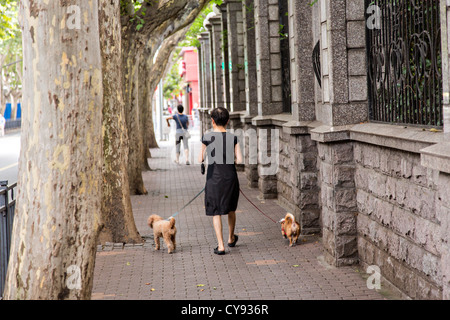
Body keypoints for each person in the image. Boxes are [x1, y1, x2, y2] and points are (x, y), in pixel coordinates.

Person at [198, 107, 243, 255]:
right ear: (228, 121)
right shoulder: (233, 138)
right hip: (230, 178)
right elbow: (240, 160)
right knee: (231, 208)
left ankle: (221, 245)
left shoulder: (207, 137)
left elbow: (200, 158)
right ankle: (231, 238)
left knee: (216, 211)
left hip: (214, 178)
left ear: (212, 121)